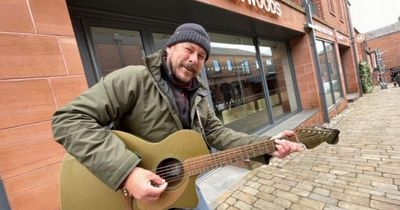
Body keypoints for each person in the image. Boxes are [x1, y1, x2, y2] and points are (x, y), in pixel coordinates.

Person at [52, 23, 302, 209]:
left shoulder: (199, 95)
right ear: (169, 48)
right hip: (131, 198)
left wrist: (267, 145)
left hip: (181, 192)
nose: (194, 59)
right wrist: (127, 173)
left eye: (202, 56)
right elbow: (68, 120)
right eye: (189, 49)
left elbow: (217, 133)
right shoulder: (134, 79)